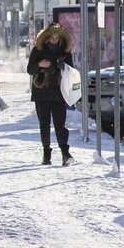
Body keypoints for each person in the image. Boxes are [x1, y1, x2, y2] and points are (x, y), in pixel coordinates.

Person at [27, 22, 75, 166]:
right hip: (42, 92)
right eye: (52, 38)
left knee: (60, 123)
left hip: (59, 92)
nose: (54, 40)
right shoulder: (37, 50)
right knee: (44, 123)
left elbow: (71, 72)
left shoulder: (65, 53)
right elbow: (29, 69)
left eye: (57, 38)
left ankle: (65, 153)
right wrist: (39, 65)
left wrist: (64, 66)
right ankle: (46, 153)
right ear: (46, 38)